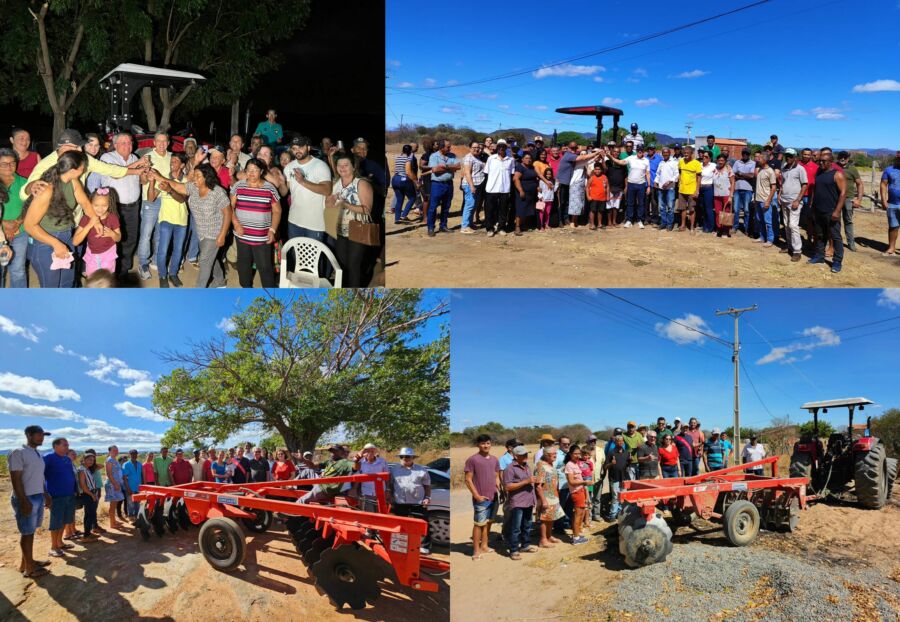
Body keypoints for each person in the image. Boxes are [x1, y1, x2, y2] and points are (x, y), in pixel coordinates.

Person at [22, 150, 94, 287]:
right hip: (44, 242)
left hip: (66, 236)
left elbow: (85, 203)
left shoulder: (73, 181)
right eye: (82, 166)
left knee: (67, 282)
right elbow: (29, 225)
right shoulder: (47, 189)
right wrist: (56, 244)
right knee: (51, 288)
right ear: (73, 170)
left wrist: (96, 222)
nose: (84, 168)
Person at [229, 158, 281, 287]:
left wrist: (272, 230)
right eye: (249, 170)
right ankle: (246, 289)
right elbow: (230, 207)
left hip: (262, 237)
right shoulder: (238, 186)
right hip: (242, 234)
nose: (251, 173)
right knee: (243, 264)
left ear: (261, 171)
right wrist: (236, 223)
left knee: (265, 267)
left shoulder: (270, 188)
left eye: (255, 170)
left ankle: (270, 294)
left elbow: (277, 211)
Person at [326, 153, 375, 286]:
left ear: (354, 167)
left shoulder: (361, 183)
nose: (342, 168)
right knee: (343, 266)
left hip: (358, 230)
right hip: (340, 231)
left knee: (354, 267)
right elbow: (330, 207)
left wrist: (346, 204)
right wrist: (329, 202)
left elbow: (367, 210)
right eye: (339, 165)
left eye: (346, 165)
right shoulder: (336, 183)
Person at [9, 425, 52, 577]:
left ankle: (27, 562)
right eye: (39, 435)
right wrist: (23, 500)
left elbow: (40, 477)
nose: (42, 438)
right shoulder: (18, 452)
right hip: (26, 497)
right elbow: (15, 478)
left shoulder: (37, 454)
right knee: (26, 533)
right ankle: (30, 569)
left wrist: (45, 494)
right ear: (28, 435)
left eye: (43, 435)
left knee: (31, 531)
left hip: (38, 495)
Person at [132, 132, 171, 280]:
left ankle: (156, 260)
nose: (162, 144)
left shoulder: (172, 158)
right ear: (154, 143)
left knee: (161, 233)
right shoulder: (147, 157)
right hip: (150, 201)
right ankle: (143, 263)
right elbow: (141, 181)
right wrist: (145, 176)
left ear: (168, 143)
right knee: (146, 234)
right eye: (158, 141)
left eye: (164, 141)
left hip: (167, 200)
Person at [147, 152, 188, 287]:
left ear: (182, 165)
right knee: (162, 249)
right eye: (172, 161)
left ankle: (173, 274)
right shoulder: (163, 179)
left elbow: (182, 199)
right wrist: (152, 182)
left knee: (178, 249)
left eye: (175, 161)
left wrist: (170, 189)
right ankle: (163, 275)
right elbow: (151, 198)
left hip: (181, 220)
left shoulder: (186, 180)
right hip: (165, 219)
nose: (172, 163)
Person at [283, 136, 332, 245]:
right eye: (294, 148)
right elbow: (286, 191)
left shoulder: (320, 165)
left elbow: (327, 190)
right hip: (294, 221)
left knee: (312, 258)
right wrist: (279, 181)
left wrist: (303, 181)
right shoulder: (289, 167)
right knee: (296, 256)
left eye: (300, 147)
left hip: (314, 223)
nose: (297, 151)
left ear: (308, 148)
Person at [387, 447, 432, 554]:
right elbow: (390, 484)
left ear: (413, 458)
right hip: (400, 502)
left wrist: (427, 498)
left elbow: (427, 486)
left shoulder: (422, 470)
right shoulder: (394, 470)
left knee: (422, 524)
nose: (405, 458)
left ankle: (424, 546)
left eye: (408, 456)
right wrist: (389, 495)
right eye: (402, 456)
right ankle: (398, 545)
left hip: (418, 502)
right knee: (399, 525)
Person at [809, 148, 846, 273]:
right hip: (818, 210)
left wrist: (837, 211)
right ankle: (819, 256)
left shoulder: (837, 174)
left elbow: (843, 194)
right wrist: (813, 206)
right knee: (820, 235)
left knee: (835, 237)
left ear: (831, 162)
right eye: (820, 161)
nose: (821, 164)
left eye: (824, 161)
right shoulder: (819, 172)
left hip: (831, 211)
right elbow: (815, 190)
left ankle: (837, 261)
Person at [464, 434, 500, 559]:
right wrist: (477, 496)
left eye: (488, 443)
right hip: (481, 498)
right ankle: (476, 551)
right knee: (479, 524)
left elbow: (496, 476)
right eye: (483, 443)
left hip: (493, 496)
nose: (486, 445)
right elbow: (468, 480)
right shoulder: (472, 459)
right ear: (478, 445)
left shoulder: (495, 459)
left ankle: (484, 546)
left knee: (488, 523)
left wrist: (499, 490)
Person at [72, 187, 122, 278]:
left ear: (109, 205)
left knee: (107, 280)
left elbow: (118, 238)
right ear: (90, 204)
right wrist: (90, 224)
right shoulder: (86, 218)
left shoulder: (113, 218)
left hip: (108, 255)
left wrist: (112, 234)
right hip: (92, 255)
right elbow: (75, 242)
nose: (100, 209)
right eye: (96, 205)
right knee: (92, 279)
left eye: (104, 206)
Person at [502, 445, 537, 560]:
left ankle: (525, 545)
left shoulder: (526, 466)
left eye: (526, 454)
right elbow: (507, 487)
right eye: (523, 455)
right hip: (517, 502)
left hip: (528, 500)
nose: (526, 456)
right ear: (515, 456)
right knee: (515, 527)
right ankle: (513, 550)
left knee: (527, 525)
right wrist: (526, 481)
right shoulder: (510, 469)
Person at [0, 148, 28, 287]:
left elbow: (29, 206)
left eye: (12, 163)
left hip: (19, 233)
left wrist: (17, 223)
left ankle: (19, 303)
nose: (9, 166)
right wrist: (4, 224)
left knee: (18, 271)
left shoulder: (24, 182)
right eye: (4, 164)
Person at [557, 141, 602, 227]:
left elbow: (589, 160)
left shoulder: (576, 159)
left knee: (575, 203)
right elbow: (586, 158)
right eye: (572, 148)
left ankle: (570, 221)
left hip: (573, 183)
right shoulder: (571, 157)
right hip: (568, 182)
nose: (574, 150)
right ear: (568, 148)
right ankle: (566, 221)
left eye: (575, 148)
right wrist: (597, 153)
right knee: (566, 203)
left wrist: (597, 156)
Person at [609, 145, 652, 228]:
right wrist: (610, 156)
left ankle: (640, 220)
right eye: (639, 150)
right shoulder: (631, 158)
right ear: (637, 150)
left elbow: (647, 173)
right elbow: (620, 162)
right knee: (630, 203)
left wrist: (649, 186)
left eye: (641, 150)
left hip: (641, 184)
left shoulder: (646, 160)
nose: (640, 151)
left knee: (641, 203)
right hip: (631, 183)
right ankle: (629, 220)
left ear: (643, 151)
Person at [777, 149, 809, 261]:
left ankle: (797, 251)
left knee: (793, 225)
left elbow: (804, 185)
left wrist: (797, 200)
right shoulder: (784, 168)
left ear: (795, 157)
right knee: (786, 224)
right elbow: (782, 183)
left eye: (791, 156)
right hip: (784, 200)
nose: (788, 158)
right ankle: (790, 246)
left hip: (794, 201)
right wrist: (779, 195)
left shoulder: (800, 169)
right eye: (787, 156)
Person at [426, 140, 460, 236]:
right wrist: (451, 167)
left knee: (446, 206)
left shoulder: (452, 155)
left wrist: (445, 166)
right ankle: (431, 227)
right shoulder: (434, 156)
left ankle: (443, 226)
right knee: (433, 207)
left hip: (449, 184)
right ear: (441, 148)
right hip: (437, 184)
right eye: (448, 147)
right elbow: (435, 170)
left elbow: (458, 166)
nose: (450, 148)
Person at [482, 140, 516, 237]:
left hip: (505, 189)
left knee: (503, 210)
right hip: (491, 188)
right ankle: (490, 228)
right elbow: (486, 173)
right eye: (499, 146)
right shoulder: (491, 159)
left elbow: (511, 174)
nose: (501, 148)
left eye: (503, 146)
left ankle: (501, 227)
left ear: (506, 148)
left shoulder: (510, 160)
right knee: (489, 210)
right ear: (497, 147)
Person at [533, 446, 563, 548]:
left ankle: (549, 536)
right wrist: (543, 500)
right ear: (546, 455)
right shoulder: (541, 466)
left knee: (551, 518)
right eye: (553, 453)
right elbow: (538, 486)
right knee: (544, 519)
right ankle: (543, 540)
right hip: (545, 497)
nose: (556, 455)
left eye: (556, 453)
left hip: (553, 496)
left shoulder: (550, 464)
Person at [836, 151, 863, 252]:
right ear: (838, 157)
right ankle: (836, 242)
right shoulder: (833, 167)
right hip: (836, 199)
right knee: (835, 221)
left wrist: (859, 199)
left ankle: (851, 243)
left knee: (848, 221)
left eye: (845, 157)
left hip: (848, 199)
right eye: (841, 157)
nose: (843, 159)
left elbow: (859, 184)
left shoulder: (852, 169)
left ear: (848, 158)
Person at [563, 445, 589, 544]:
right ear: (570, 454)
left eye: (579, 453)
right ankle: (576, 538)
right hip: (576, 492)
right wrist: (584, 483)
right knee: (578, 515)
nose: (578, 455)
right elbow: (571, 482)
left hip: (580, 491)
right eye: (575, 453)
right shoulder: (569, 465)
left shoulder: (576, 463)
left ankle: (576, 534)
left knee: (580, 513)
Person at [351, 443, 388, 512]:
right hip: (366, 492)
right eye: (367, 451)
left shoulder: (382, 461)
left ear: (375, 451)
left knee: (381, 514)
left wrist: (388, 490)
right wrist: (358, 456)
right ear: (364, 452)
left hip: (381, 492)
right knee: (369, 515)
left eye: (372, 451)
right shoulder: (360, 462)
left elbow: (387, 476)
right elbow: (355, 471)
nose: (370, 453)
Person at [752, 151, 778, 247]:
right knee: (759, 219)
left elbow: (774, 188)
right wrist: (755, 198)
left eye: (760, 158)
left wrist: (768, 200)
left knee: (768, 221)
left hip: (765, 200)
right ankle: (762, 237)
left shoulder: (770, 171)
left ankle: (770, 239)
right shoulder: (760, 170)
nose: (758, 159)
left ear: (765, 160)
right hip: (758, 199)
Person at [459, 141, 484, 234]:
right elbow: (467, 173)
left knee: (473, 205)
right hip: (470, 185)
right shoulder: (468, 158)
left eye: (478, 147)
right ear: (470, 148)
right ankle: (464, 226)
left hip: (477, 185)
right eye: (474, 147)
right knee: (469, 205)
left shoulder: (476, 157)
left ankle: (469, 223)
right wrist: (472, 186)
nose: (476, 149)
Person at [603, 435, 630, 521]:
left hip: (624, 478)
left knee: (623, 497)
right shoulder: (611, 452)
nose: (620, 442)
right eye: (618, 441)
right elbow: (605, 467)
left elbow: (627, 464)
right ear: (615, 442)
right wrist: (611, 463)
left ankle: (621, 514)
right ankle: (612, 515)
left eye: (621, 441)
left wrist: (630, 460)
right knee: (615, 497)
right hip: (614, 478)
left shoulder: (626, 452)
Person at [677, 146, 702, 232]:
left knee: (692, 209)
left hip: (692, 190)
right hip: (682, 189)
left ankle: (692, 226)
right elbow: (680, 172)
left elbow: (699, 177)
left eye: (688, 153)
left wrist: (697, 190)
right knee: (682, 209)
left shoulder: (696, 163)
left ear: (692, 153)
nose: (686, 154)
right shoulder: (681, 162)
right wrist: (679, 182)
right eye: (685, 153)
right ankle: (683, 225)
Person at [76, 453, 101, 542]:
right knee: (89, 515)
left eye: (93, 460)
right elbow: (83, 485)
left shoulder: (86, 468)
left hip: (91, 493)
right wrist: (92, 495)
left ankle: (88, 533)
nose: (91, 462)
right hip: (88, 495)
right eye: (89, 460)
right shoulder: (82, 469)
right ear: (84, 459)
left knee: (91, 514)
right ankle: (86, 536)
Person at [732, 148, 756, 236]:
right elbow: (734, 174)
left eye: (747, 153)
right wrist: (745, 175)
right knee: (736, 209)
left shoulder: (753, 163)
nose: (745, 155)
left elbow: (752, 175)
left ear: (749, 155)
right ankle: (735, 227)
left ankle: (747, 228)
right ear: (742, 154)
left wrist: (741, 174)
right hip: (737, 189)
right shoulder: (737, 162)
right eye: (744, 153)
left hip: (748, 189)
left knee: (746, 210)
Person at [513, 152, 538, 235]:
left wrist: (537, 187)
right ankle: (517, 227)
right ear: (522, 159)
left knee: (527, 208)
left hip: (531, 192)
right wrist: (520, 190)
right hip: (523, 192)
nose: (528, 160)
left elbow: (535, 179)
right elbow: (516, 179)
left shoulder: (531, 167)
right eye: (526, 158)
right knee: (520, 209)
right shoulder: (520, 167)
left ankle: (523, 225)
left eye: (530, 158)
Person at [392, 144, 419, 224]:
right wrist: (416, 181)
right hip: (404, 180)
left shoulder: (398, 158)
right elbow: (408, 172)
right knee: (412, 197)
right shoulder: (408, 158)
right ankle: (403, 216)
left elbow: (396, 169)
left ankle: (397, 219)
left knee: (399, 200)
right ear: (410, 151)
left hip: (395, 179)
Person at [880, 151, 900, 256]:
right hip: (892, 203)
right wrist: (883, 200)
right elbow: (883, 185)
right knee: (893, 226)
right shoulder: (889, 170)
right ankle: (891, 248)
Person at [655, 147, 679, 231]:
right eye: (663, 153)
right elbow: (658, 174)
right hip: (661, 188)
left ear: (670, 153)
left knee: (670, 207)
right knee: (661, 207)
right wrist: (656, 181)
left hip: (670, 188)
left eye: (667, 153)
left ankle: (670, 224)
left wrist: (669, 182)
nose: (665, 154)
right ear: (662, 154)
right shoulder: (661, 163)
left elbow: (676, 175)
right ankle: (663, 223)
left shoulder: (674, 163)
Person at [712, 154, 735, 238]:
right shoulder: (714, 169)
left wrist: (731, 195)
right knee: (718, 213)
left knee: (726, 213)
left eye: (722, 160)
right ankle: (719, 229)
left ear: (725, 161)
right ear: (717, 161)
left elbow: (733, 182)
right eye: (719, 160)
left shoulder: (729, 170)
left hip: (726, 194)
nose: (720, 162)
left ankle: (725, 231)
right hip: (716, 194)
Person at [104, 445, 125, 529]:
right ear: (109, 451)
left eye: (117, 450)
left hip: (116, 484)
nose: (116, 452)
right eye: (114, 450)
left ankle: (114, 521)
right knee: (112, 504)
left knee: (115, 503)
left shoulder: (114, 460)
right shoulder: (109, 460)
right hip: (112, 485)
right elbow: (109, 473)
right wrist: (115, 484)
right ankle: (112, 524)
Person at [585, 162, 610, 231]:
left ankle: (599, 224)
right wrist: (588, 196)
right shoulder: (592, 178)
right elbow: (587, 187)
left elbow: (607, 187)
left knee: (600, 211)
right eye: (596, 169)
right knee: (592, 211)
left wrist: (607, 196)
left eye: (599, 169)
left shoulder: (604, 177)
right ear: (594, 170)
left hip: (602, 198)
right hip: (593, 198)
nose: (597, 171)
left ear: (601, 170)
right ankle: (592, 224)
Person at [698, 150, 716, 233]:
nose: (704, 158)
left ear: (710, 158)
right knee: (703, 208)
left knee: (709, 208)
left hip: (708, 188)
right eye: (703, 156)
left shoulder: (713, 166)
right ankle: (705, 226)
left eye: (706, 157)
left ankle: (711, 226)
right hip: (700, 188)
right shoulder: (700, 165)